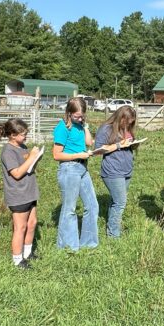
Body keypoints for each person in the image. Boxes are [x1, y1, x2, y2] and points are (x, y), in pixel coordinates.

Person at [53, 97, 99, 250]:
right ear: (69, 112)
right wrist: (78, 155)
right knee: (70, 209)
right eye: (77, 116)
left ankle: (89, 243)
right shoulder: (62, 127)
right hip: (69, 168)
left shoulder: (80, 125)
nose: (79, 118)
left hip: (82, 168)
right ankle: (68, 246)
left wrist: (85, 126)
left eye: (82, 115)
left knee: (92, 205)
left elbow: (89, 143)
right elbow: (57, 155)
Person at [0, 118, 42, 268]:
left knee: (32, 223)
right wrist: (32, 158)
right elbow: (16, 173)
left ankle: (28, 253)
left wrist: (35, 159)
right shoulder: (8, 151)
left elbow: (28, 166)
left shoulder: (23, 146)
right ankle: (17, 259)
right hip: (18, 194)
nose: (26, 137)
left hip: (29, 190)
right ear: (12, 135)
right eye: (23, 134)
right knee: (20, 227)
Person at [94, 105, 138, 238]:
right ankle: (113, 235)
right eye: (127, 121)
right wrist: (119, 145)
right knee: (120, 202)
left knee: (116, 201)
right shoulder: (106, 129)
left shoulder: (126, 129)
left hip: (126, 170)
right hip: (113, 171)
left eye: (131, 122)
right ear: (121, 117)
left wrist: (134, 144)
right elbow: (98, 150)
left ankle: (113, 228)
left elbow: (127, 144)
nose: (128, 124)